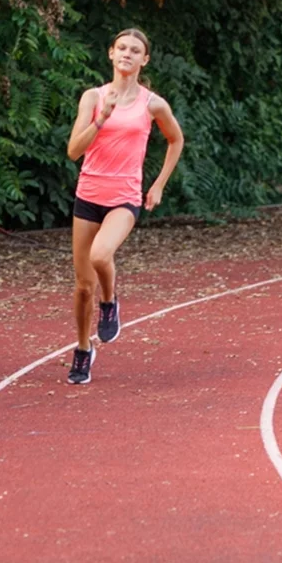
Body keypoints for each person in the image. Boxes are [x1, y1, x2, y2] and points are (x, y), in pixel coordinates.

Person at [65, 28, 184, 384]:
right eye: (121, 48)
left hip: (125, 197)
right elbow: (73, 151)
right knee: (82, 286)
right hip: (88, 196)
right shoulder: (93, 97)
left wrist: (158, 185)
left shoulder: (153, 104)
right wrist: (100, 119)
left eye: (134, 50)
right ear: (111, 54)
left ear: (144, 59)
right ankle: (83, 349)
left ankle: (110, 301)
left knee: (101, 255)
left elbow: (176, 140)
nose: (127, 54)